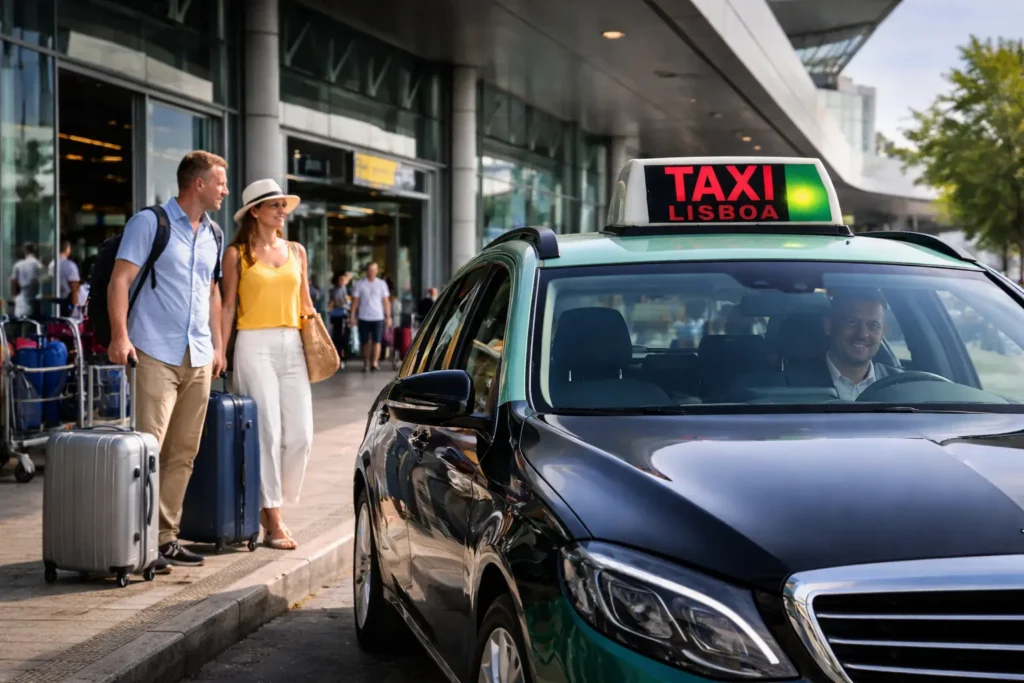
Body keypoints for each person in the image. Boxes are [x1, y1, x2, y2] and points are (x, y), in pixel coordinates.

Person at [107, 150, 229, 569]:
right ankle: (135, 541)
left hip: (196, 354)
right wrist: (120, 337)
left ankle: (164, 538)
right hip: (153, 351)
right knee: (149, 449)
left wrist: (218, 346)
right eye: (220, 183)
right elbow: (120, 280)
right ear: (198, 183)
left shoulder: (214, 232)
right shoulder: (150, 223)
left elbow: (214, 293)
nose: (224, 190)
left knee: (183, 452)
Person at [220, 178, 314, 550]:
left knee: (301, 435)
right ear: (255, 212)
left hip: (291, 343)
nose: (282, 211)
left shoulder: (296, 251)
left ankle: (273, 499)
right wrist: (220, 352)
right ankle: (271, 515)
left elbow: (306, 303)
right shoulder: (236, 254)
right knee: (267, 432)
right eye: (274, 205)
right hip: (252, 344)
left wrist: (318, 343)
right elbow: (228, 306)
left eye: (283, 205)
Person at [820, 289, 902, 400]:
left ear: (882, 332)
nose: (863, 334)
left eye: (873, 325)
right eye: (852, 322)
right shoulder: (792, 383)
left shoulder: (901, 384)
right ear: (829, 325)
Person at [351, 262, 391, 372]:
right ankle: (366, 363)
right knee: (365, 342)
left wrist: (388, 317)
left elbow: (386, 301)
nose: (371, 272)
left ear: (377, 271)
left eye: (374, 270)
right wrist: (352, 316)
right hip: (363, 316)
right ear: (366, 271)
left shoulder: (382, 284)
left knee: (377, 341)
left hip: (378, 317)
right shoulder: (360, 284)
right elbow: (355, 301)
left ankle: (375, 363)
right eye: (369, 270)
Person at [10, 242, 42, 318]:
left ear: (24, 251)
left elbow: (13, 282)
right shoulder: (38, 265)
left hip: (22, 300)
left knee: (20, 324)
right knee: (34, 326)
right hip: (35, 299)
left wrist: (14, 297)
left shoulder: (18, 265)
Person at [50, 241, 81, 317]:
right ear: (67, 249)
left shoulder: (51, 264)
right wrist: (75, 307)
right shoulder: (70, 265)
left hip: (53, 304)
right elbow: (74, 288)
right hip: (66, 302)